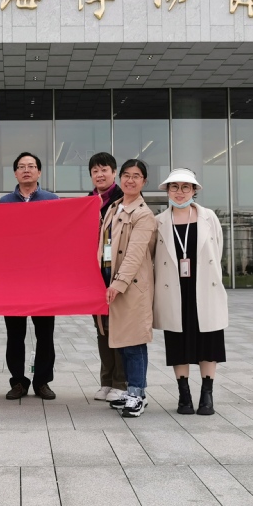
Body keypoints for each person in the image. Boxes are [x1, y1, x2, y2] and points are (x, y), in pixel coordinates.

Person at [153, 168, 228, 416]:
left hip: (204, 287)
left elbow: (218, 251)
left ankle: (207, 394)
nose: (180, 192)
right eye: (174, 187)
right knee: (178, 341)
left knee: (209, 341)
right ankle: (184, 395)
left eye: (186, 187)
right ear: (167, 191)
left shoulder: (209, 217)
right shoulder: (159, 221)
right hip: (174, 289)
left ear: (194, 190)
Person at [0, 152, 60, 400]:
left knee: (45, 334)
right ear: (15, 173)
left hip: (43, 278)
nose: (27, 170)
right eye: (22, 167)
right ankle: (18, 382)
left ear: (39, 172)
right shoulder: (4, 202)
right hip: (13, 279)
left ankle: (42, 381)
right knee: (15, 335)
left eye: (31, 166)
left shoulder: (52, 200)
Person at [100, 159, 157, 418]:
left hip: (130, 287)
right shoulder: (114, 207)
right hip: (112, 282)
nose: (130, 180)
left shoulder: (144, 215)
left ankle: (137, 393)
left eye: (136, 176)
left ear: (144, 181)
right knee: (122, 342)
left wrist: (119, 283)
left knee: (134, 342)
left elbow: (134, 254)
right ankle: (130, 390)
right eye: (126, 175)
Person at [88, 152, 127, 403]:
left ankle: (121, 382)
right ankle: (106, 381)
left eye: (104, 170)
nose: (100, 175)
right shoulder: (88, 203)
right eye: (95, 171)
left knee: (119, 329)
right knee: (102, 329)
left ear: (114, 173)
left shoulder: (124, 200)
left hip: (117, 273)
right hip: (95, 276)